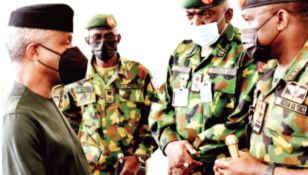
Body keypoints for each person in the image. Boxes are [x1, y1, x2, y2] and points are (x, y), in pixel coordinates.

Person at [214, 0, 308, 175]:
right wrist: (242, 164)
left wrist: (260, 171)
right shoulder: (270, 70)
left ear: (280, 19)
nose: (244, 31)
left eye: (249, 20)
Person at [149, 0, 260, 174]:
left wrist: (190, 152)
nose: (197, 23)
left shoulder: (247, 52)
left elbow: (248, 118)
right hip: (180, 168)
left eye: (206, 15)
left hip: (225, 167)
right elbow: (161, 105)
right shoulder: (182, 51)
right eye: (190, 15)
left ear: (228, 15)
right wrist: (169, 144)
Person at [52, 13, 158, 175]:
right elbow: (68, 126)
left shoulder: (139, 73)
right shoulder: (76, 78)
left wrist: (139, 156)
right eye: (97, 37)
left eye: (109, 36)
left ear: (118, 39)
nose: (103, 42)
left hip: (130, 167)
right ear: (87, 41)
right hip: (90, 167)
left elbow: (154, 121)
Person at [2, 4, 91, 175]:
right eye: (66, 42)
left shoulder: (44, 101)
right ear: (34, 51)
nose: (73, 50)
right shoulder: (18, 116)